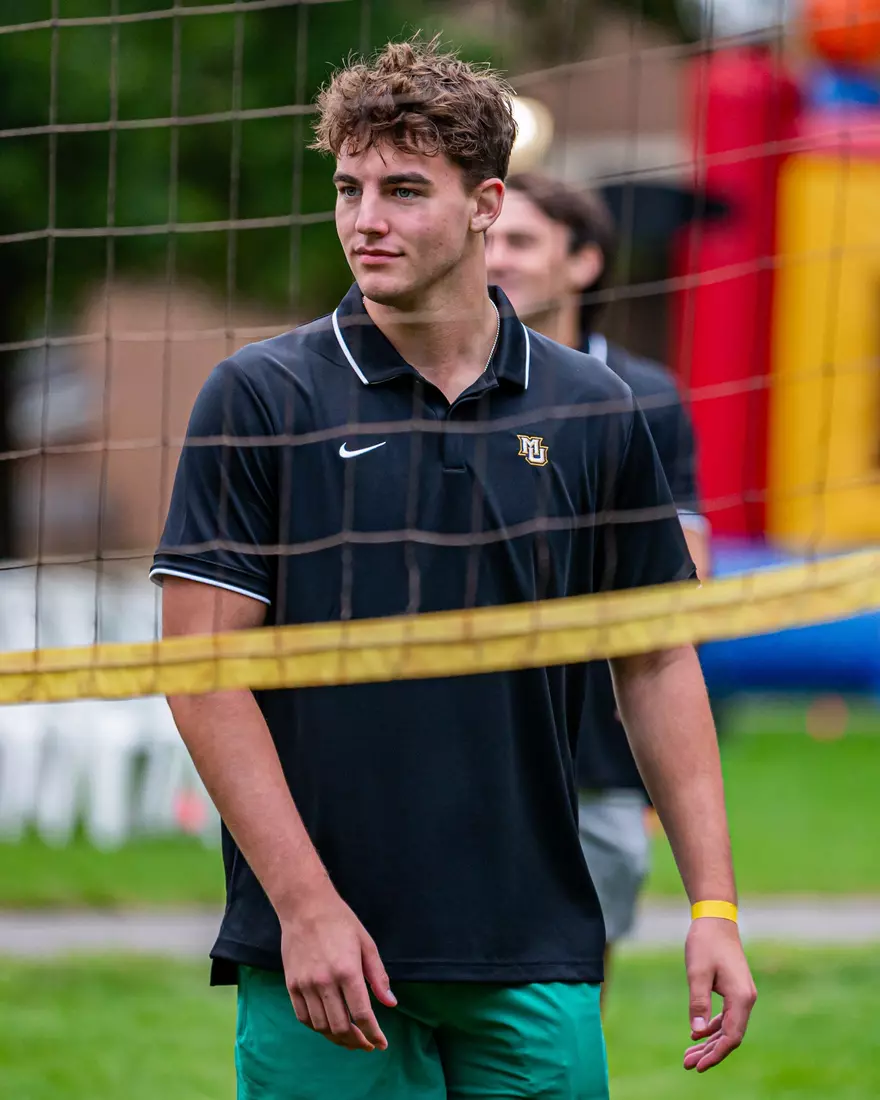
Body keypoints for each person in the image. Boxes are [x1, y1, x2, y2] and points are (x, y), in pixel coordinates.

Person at [152, 37, 755, 1100]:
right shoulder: (259, 395)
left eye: (401, 189)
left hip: (530, 935)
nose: (364, 219)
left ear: (484, 203)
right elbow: (202, 672)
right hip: (321, 946)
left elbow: (657, 662)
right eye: (346, 187)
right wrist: (304, 906)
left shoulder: (593, 407)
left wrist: (713, 903)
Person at [486, 173, 711, 995]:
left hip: (598, 743)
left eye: (519, 241)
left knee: (575, 979)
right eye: (487, 239)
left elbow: (686, 573)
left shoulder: (642, 397)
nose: (494, 258)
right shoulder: (453, 382)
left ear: (584, 262)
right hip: (471, 724)